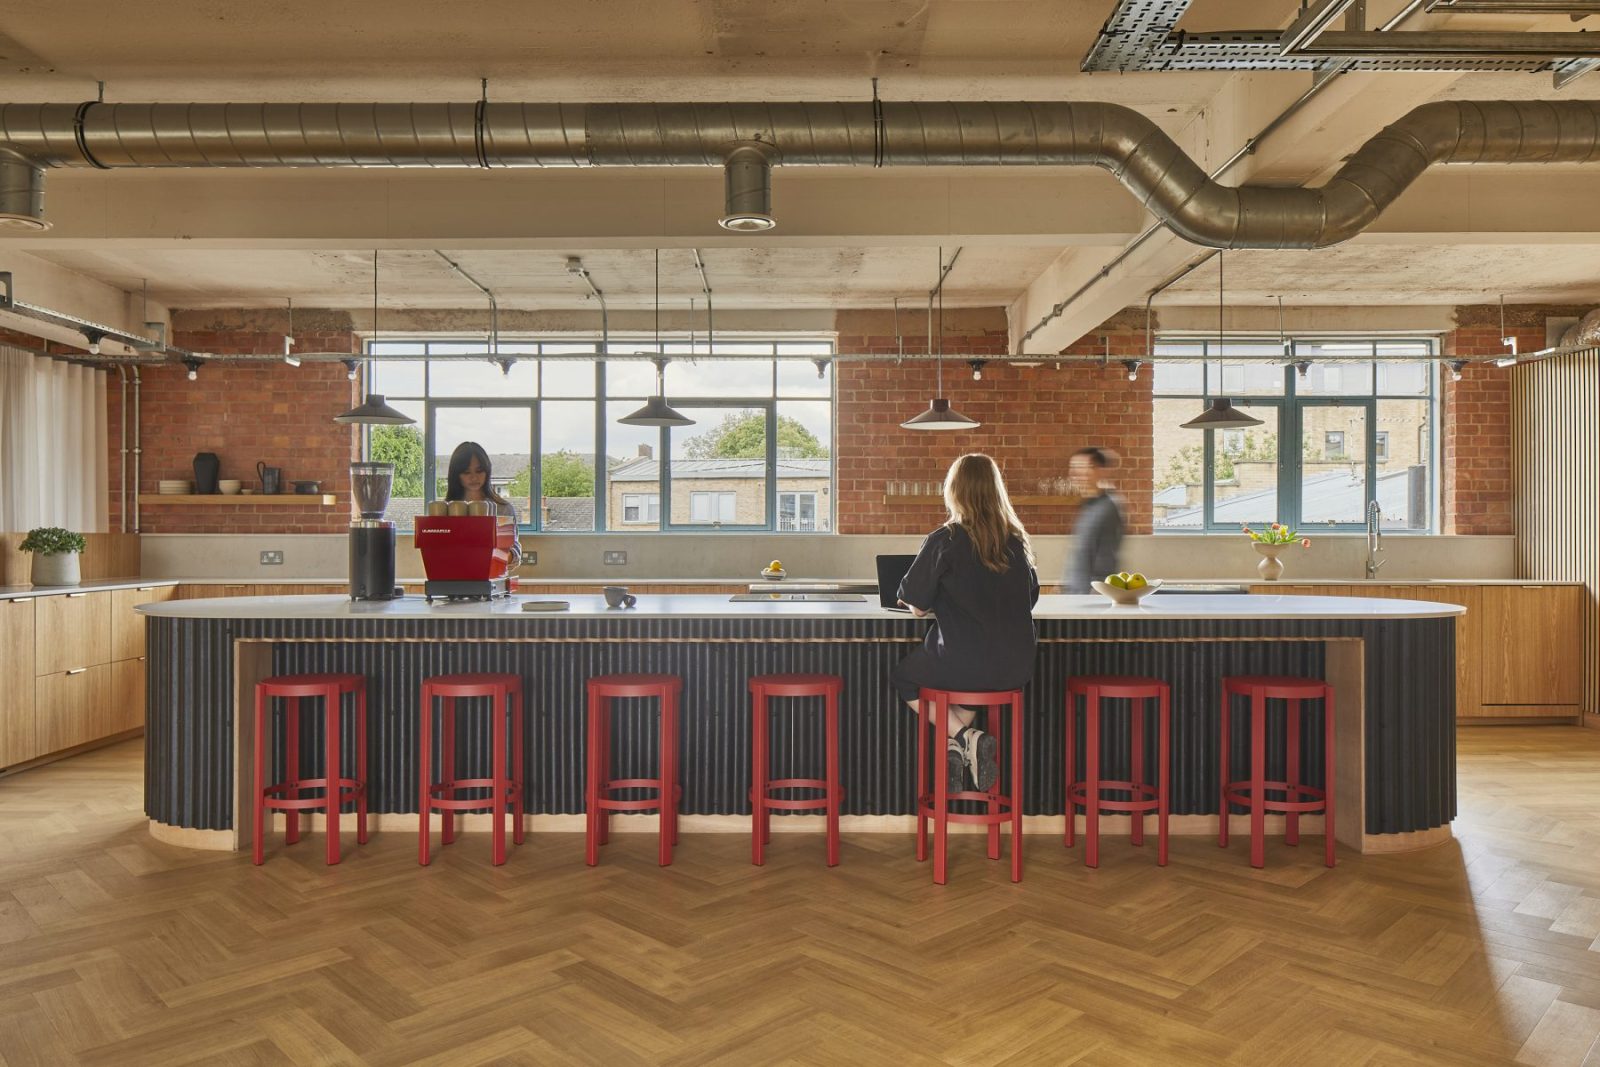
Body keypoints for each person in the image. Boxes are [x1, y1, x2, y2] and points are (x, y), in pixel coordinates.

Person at [892, 454, 1040, 792]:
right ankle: (959, 749)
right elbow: (1028, 599)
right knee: (974, 687)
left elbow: (917, 607)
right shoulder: (1016, 541)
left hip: (964, 662)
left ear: (954, 491)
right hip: (1016, 667)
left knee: (903, 677)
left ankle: (965, 736)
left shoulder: (945, 539)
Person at [1064, 446, 1125, 594]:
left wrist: (1095, 594)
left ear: (1099, 470)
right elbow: (1082, 552)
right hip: (1077, 593)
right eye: (1073, 468)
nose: (1075, 474)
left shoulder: (1108, 508)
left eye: (1081, 468)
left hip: (1091, 595)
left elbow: (1106, 557)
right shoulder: (1089, 506)